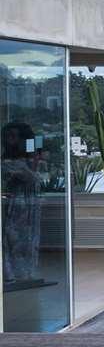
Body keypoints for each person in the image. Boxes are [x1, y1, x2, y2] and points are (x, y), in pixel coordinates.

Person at [2, 121, 43, 283]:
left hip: (25, 204)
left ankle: (24, 273)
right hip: (15, 205)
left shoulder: (22, 162)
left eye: (12, 137)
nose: (8, 141)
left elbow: (32, 178)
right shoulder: (11, 163)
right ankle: (11, 273)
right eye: (6, 137)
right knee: (11, 238)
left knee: (27, 238)